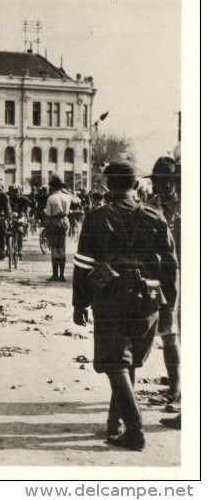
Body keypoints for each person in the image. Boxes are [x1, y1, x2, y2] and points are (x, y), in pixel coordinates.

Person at [72, 160, 178, 451]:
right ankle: (114, 423)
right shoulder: (156, 217)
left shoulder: (96, 217)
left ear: (108, 185)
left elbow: (83, 266)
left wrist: (79, 303)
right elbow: (170, 265)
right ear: (134, 185)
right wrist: (169, 302)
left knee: (116, 363)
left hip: (110, 298)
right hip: (148, 300)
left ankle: (134, 429)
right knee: (126, 360)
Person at [146, 156, 182, 425]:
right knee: (168, 333)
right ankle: (175, 389)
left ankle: (180, 393)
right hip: (163, 276)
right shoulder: (151, 206)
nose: (164, 186)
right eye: (160, 182)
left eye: (169, 181)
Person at [44, 175, 80, 281]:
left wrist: (46, 227)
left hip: (53, 222)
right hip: (65, 221)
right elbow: (78, 201)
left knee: (54, 249)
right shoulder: (67, 197)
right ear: (61, 187)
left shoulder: (51, 198)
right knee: (62, 248)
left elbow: (48, 214)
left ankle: (55, 275)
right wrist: (68, 192)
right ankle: (62, 275)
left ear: (52, 187)